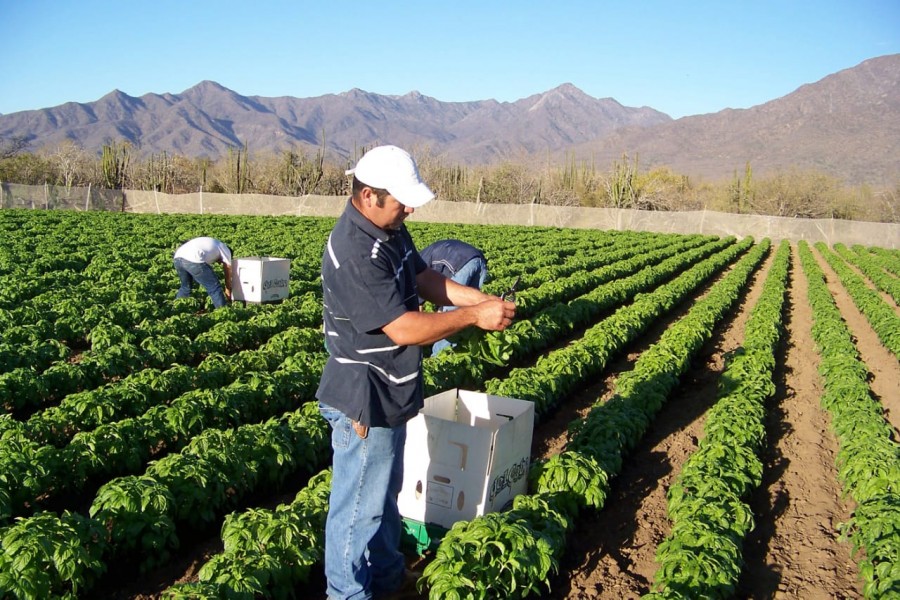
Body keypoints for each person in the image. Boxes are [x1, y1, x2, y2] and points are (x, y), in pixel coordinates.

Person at [316, 145, 515, 600]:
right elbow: (403, 327)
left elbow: (423, 278)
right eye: (400, 200)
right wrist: (471, 318)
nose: (409, 208)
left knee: (384, 495)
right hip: (364, 397)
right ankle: (347, 595)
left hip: (392, 388)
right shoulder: (355, 251)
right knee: (356, 511)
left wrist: (478, 302)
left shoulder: (388, 231)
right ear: (368, 195)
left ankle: (387, 579)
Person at [418, 239, 489, 356]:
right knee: (468, 309)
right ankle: (456, 348)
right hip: (479, 260)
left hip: (461, 264)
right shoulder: (425, 254)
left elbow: (418, 305)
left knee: (447, 319)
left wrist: (418, 340)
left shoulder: (417, 264)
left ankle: (438, 357)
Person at [173, 236, 233, 309]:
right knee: (214, 287)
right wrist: (228, 289)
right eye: (220, 261)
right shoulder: (226, 250)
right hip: (193, 258)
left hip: (178, 257)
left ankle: (176, 309)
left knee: (186, 287)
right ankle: (223, 310)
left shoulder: (215, 245)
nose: (220, 263)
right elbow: (228, 269)